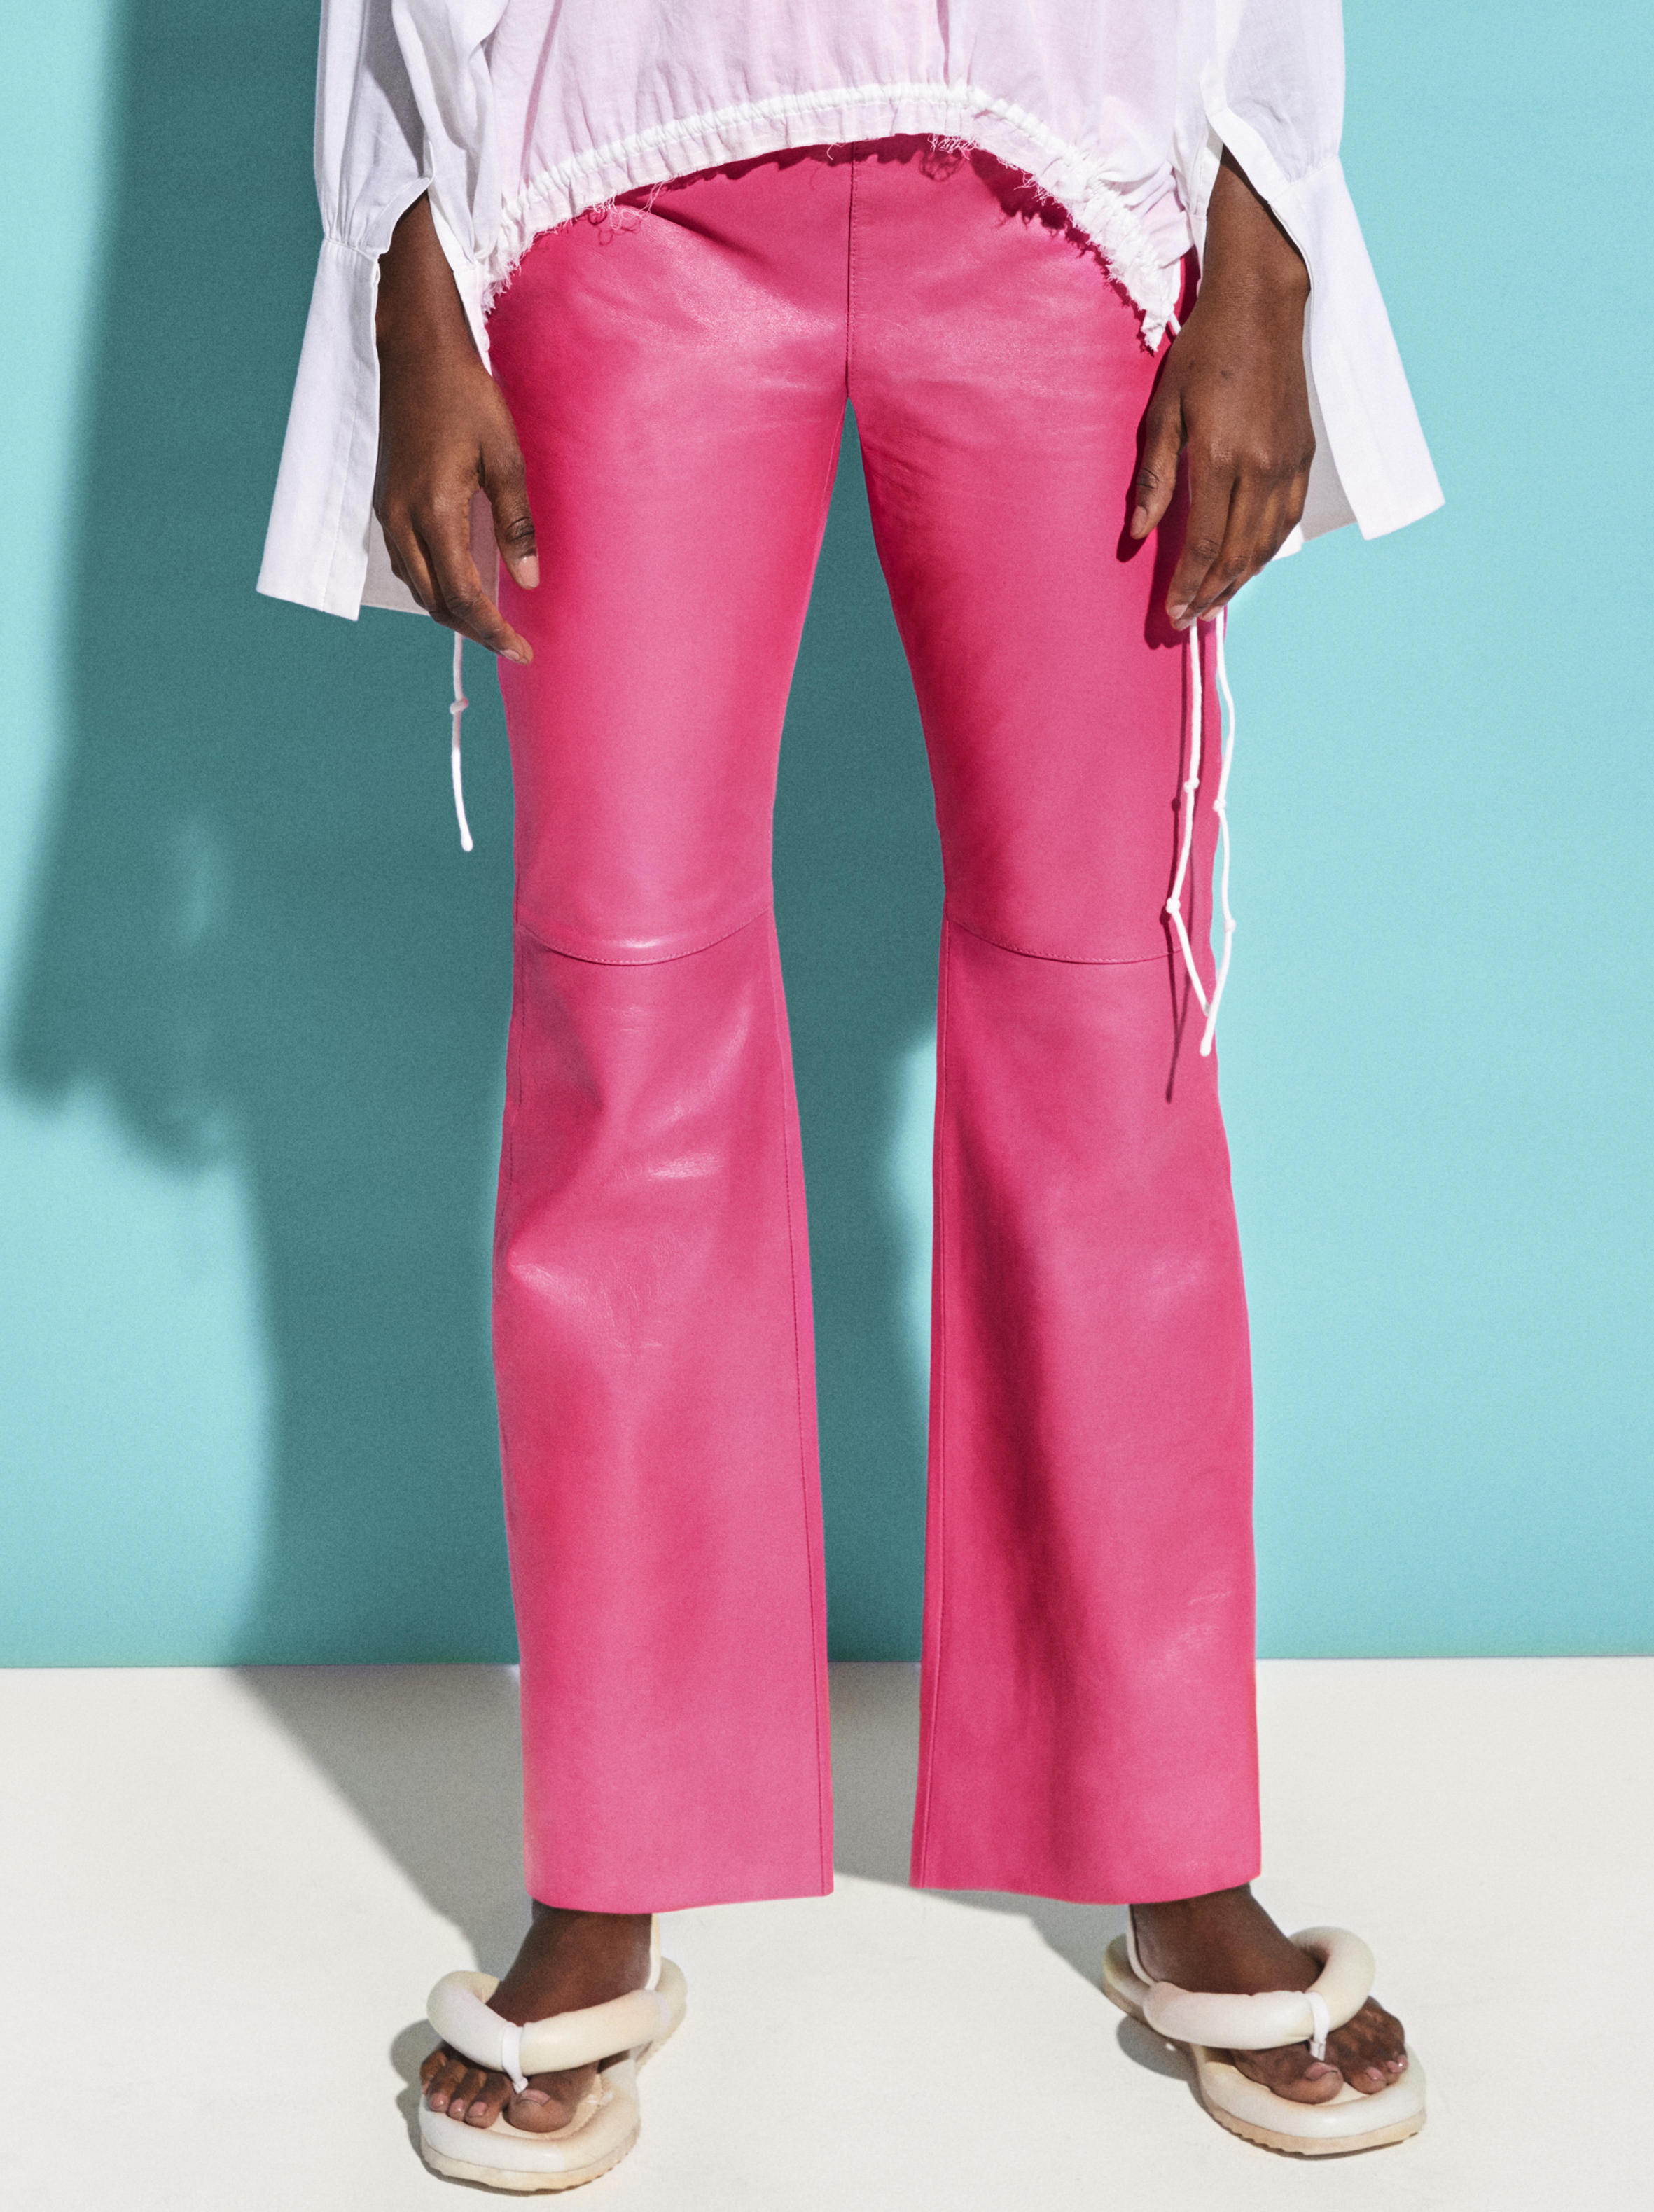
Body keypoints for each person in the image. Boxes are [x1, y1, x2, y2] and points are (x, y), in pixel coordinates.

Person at [260, 0, 1441, 2181]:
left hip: (1068, 197)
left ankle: (1167, 1831)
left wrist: (1263, 238)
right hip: (610, 193)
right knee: (622, 1015)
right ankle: (609, 1856)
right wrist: (409, 271)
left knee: (1108, 1009)